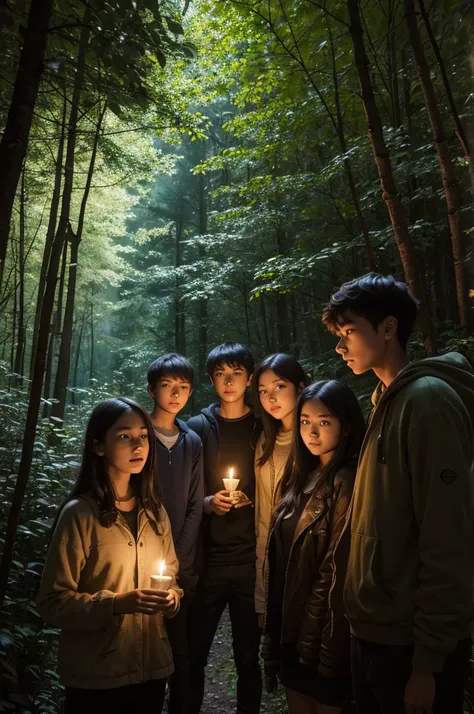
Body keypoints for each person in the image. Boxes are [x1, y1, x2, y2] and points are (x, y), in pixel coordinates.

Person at [322, 272, 474, 714]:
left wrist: (428, 662)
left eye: (349, 332)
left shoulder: (428, 402)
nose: (340, 346)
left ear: (388, 328)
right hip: (375, 631)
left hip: (410, 644)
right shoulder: (385, 398)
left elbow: (447, 536)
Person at [37, 398, 182, 714]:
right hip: (96, 679)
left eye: (143, 436)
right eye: (124, 436)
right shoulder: (79, 516)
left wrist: (171, 598)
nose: (138, 445)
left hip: (151, 670)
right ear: (99, 447)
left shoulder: (154, 511)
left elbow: (171, 574)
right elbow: (52, 602)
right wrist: (117, 604)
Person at [263, 380, 365, 714]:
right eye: (305, 421)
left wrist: (313, 638)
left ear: (345, 426)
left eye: (324, 422)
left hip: (322, 632)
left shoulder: (345, 482)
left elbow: (334, 567)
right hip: (290, 624)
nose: (312, 432)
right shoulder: (298, 475)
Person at [187, 341, 263, 714]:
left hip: (251, 562)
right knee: (192, 656)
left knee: (249, 658)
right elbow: (183, 494)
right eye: (220, 374)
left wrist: (256, 501)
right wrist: (207, 504)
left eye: (236, 373)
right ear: (212, 380)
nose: (228, 381)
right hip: (208, 563)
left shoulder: (266, 426)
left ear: (249, 378)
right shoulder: (198, 428)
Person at [147, 353, 204, 714]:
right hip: (138, 561)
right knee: (144, 654)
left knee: (181, 653)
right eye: (167, 385)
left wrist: (179, 559)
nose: (175, 393)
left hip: (182, 565)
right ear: (152, 389)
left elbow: (197, 505)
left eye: (183, 387)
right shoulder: (137, 434)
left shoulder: (192, 441)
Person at [253, 353, 308, 623]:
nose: (271, 398)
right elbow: (263, 517)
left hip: (305, 563)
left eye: (279, 387)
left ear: (300, 387)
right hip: (271, 562)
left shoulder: (314, 437)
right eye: (263, 391)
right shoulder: (266, 440)